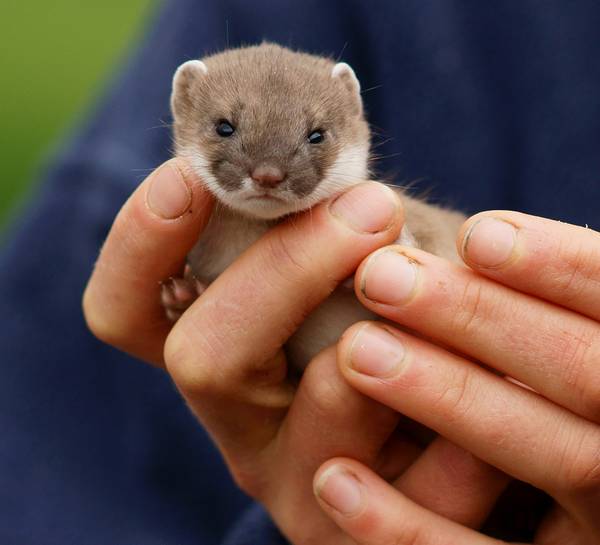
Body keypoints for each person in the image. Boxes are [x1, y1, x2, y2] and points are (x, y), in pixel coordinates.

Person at [2, 1, 600, 543]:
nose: (267, 171)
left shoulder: (386, 219)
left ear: (353, 125)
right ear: (184, 108)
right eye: (227, 130)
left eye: (314, 138)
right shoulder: (176, 226)